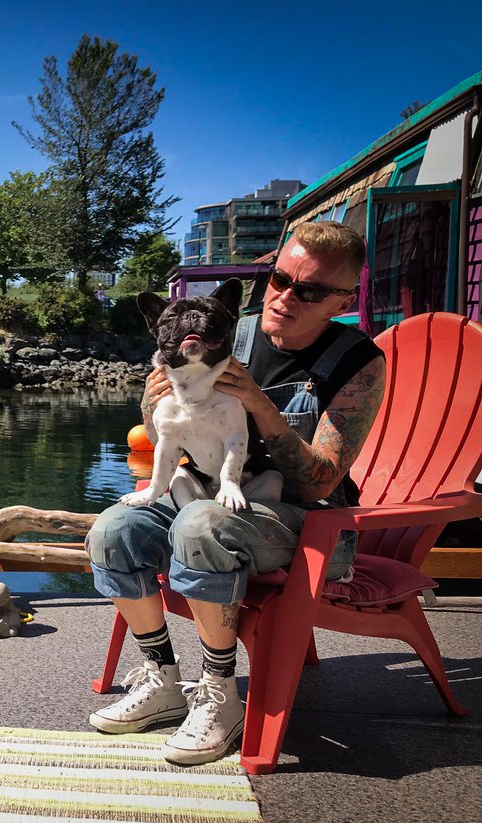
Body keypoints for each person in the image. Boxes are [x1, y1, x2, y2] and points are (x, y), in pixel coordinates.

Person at [85, 221, 386, 765]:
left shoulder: (355, 362)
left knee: (200, 524)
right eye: (279, 279)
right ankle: (163, 677)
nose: (286, 296)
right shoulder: (224, 330)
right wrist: (153, 404)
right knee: (113, 530)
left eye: (310, 290)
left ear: (344, 298)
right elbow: (163, 437)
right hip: (208, 493)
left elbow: (321, 480)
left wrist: (259, 404)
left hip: (312, 524)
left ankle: (219, 694)